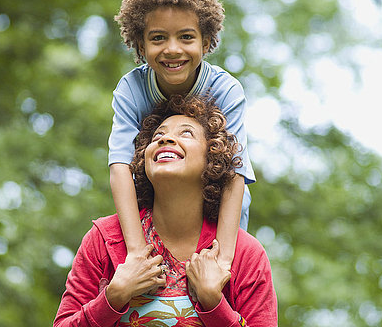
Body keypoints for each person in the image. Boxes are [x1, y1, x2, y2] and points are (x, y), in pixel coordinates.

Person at [54, 96, 277, 327]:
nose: (166, 139)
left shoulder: (246, 254)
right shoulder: (104, 239)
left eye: (186, 133)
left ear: (213, 158)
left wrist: (213, 302)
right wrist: (113, 297)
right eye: (158, 136)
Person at [109, 0, 255, 272]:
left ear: (206, 41)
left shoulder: (225, 90)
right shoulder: (132, 90)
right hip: (157, 215)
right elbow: (120, 167)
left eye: (186, 37)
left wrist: (224, 259)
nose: (173, 49)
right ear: (140, 43)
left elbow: (235, 174)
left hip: (218, 216)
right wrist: (136, 250)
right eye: (158, 38)